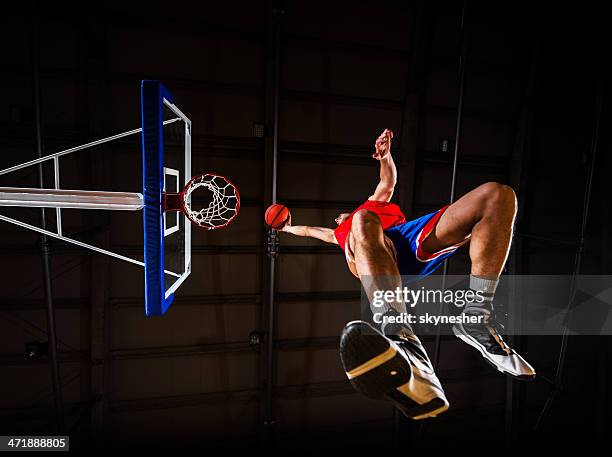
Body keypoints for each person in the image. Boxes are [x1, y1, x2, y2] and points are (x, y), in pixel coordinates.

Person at [279, 129, 535, 419]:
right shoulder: (341, 232)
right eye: (338, 220)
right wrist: (288, 228)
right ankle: (400, 336)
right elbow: (312, 231)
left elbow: (388, 180)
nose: (338, 219)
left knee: (497, 195)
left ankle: (476, 315)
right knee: (362, 222)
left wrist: (385, 155)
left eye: (341, 216)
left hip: (405, 238)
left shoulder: (372, 204)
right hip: (371, 256)